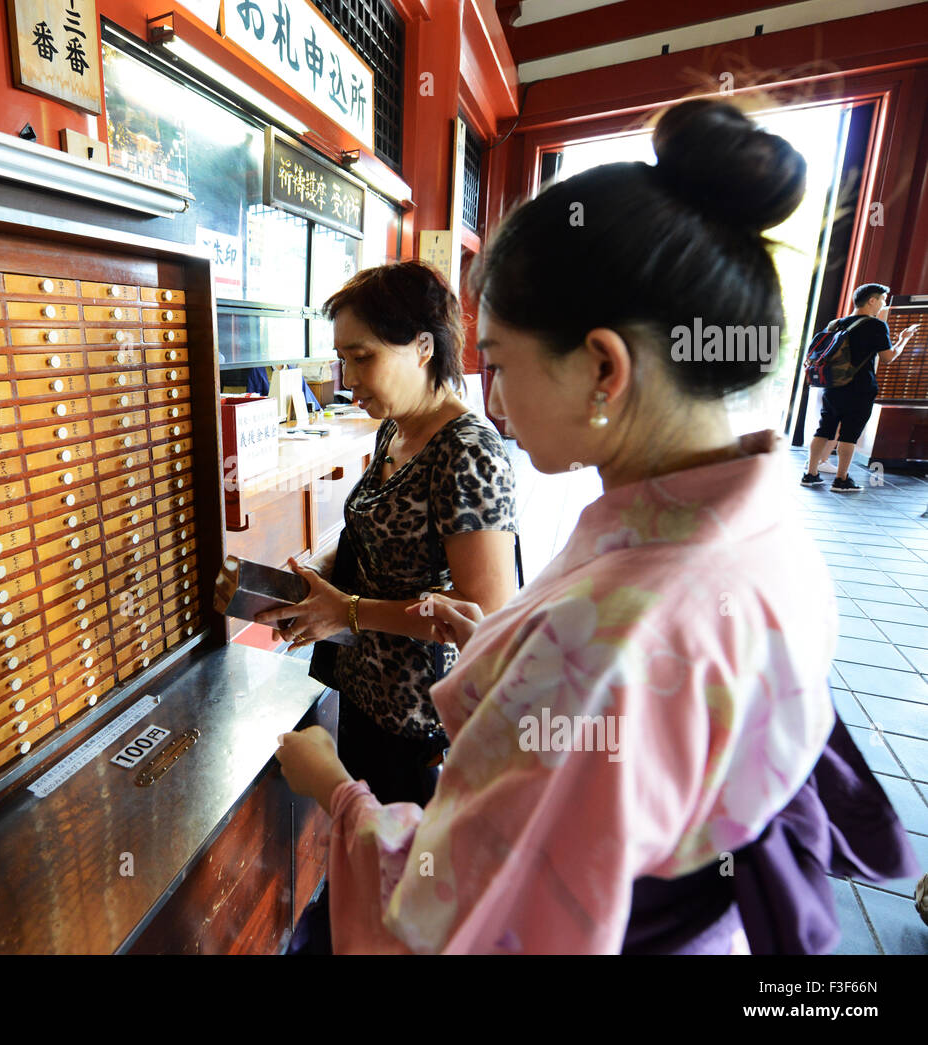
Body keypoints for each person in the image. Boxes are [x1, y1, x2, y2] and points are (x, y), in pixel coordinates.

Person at [274, 99, 918, 954]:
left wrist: (336, 790)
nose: (493, 399)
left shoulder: (602, 635)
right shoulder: (763, 537)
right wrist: (505, 645)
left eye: (499, 362)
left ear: (603, 367)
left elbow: (459, 919)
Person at [219, 259, 519, 809]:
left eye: (363, 357)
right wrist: (312, 585)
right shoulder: (394, 431)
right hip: (364, 690)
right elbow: (371, 535)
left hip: (420, 721)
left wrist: (348, 612)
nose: (348, 378)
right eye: (342, 359)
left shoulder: (466, 451)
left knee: (398, 871)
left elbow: (484, 607)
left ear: (424, 348)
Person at [801, 283, 919, 491]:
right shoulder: (876, 326)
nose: (883, 304)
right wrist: (903, 340)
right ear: (871, 301)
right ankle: (841, 479)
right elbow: (888, 357)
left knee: (824, 428)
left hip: (833, 385)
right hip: (860, 387)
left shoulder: (836, 324)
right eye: (882, 300)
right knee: (849, 434)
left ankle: (810, 474)